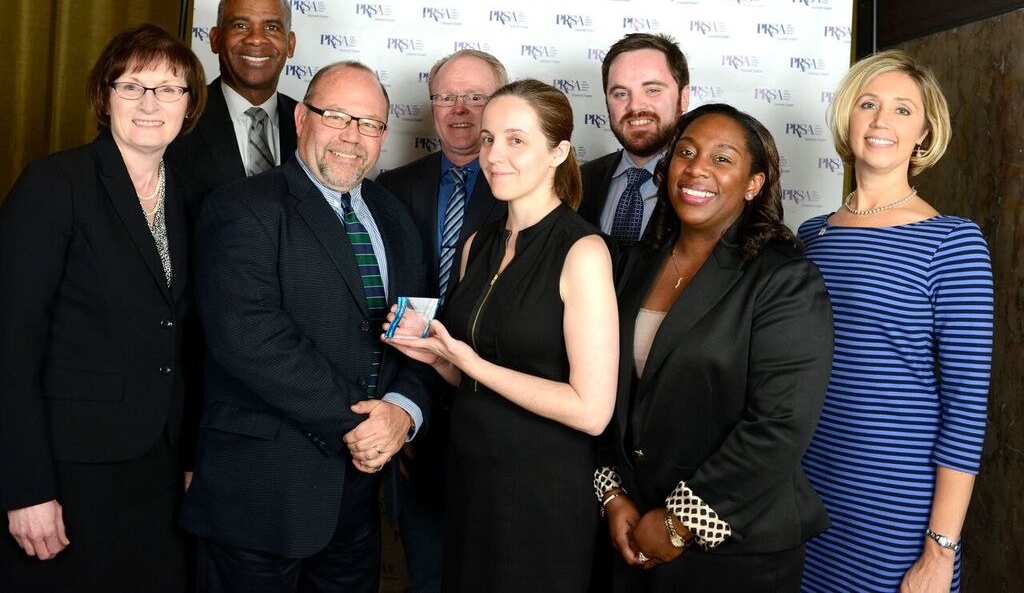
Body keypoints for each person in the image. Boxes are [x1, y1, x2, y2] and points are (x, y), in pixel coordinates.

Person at [179, 61, 433, 593]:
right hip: (261, 492)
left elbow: (421, 333)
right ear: (300, 119)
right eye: (337, 116)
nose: (352, 136)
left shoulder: (395, 218)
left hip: (359, 498)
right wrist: (362, 422)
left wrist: (403, 414)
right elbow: (248, 337)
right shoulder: (242, 208)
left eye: (369, 124)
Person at [383, 79, 618, 592]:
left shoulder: (583, 252)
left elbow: (592, 409)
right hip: (469, 481)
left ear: (559, 152)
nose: (494, 155)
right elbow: (468, 373)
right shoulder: (476, 245)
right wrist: (436, 355)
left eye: (516, 140)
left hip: (540, 491)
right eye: (489, 139)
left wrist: (470, 363)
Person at [0, 23, 207, 591]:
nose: (150, 103)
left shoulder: (189, 195)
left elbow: (187, 338)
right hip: (70, 467)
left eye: (169, 89)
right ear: (104, 95)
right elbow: (10, 344)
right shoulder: (55, 184)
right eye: (132, 86)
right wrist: (25, 488)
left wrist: (191, 454)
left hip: (159, 467)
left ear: (188, 105)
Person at [595, 104, 833, 592]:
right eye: (686, 152)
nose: (697, 168)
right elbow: (603, 389)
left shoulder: (783, 278)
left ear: (753, 184)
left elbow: (780, 424)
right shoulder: (632, 266)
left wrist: (679, 523)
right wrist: (613, 495)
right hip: (631, 532)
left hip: (736, 549)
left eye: (723, 159)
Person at [798, 50, 994, 593]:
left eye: (903, 110)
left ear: (925, 132)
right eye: (868, 104)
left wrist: (939, 551)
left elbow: (966, 409)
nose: (882, 121)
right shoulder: (811, 237)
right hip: (803, 498)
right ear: (848, 118)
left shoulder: (951, 243)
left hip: (894, 519)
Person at [375, 50, 509, 592]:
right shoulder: (390, 187)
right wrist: (403, 415)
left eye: (476, 97)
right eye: (446, 97)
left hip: (500, 423)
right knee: (429, 574)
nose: (461, 110)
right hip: (417, 424)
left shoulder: (528, 193)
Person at [165, 0, 298, 221]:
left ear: (290, 44)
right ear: (215, 39)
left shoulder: (310, 124)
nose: (256, 39)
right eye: (240, 25)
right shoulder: (177, 117)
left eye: (271, 28)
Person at [578, 33, 690, 246]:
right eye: (621, 94)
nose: (636, 106)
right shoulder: (581, 182)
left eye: (652, 90)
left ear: (683, 98)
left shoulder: (702, 186)